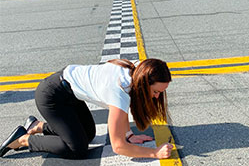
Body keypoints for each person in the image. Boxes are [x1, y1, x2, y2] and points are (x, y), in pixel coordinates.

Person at [0, 58, 173, 159]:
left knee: (88, 134)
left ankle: (37, 126)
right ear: (144, 83)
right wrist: (154, 153)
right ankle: (23, 139)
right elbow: (118, 147)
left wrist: (130, 135)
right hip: (51, 96)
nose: (157, 97)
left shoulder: (138, 70)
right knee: (77, 148)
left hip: (70, 94)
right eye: (156, 92)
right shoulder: (119, 90)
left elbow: (123, 110)